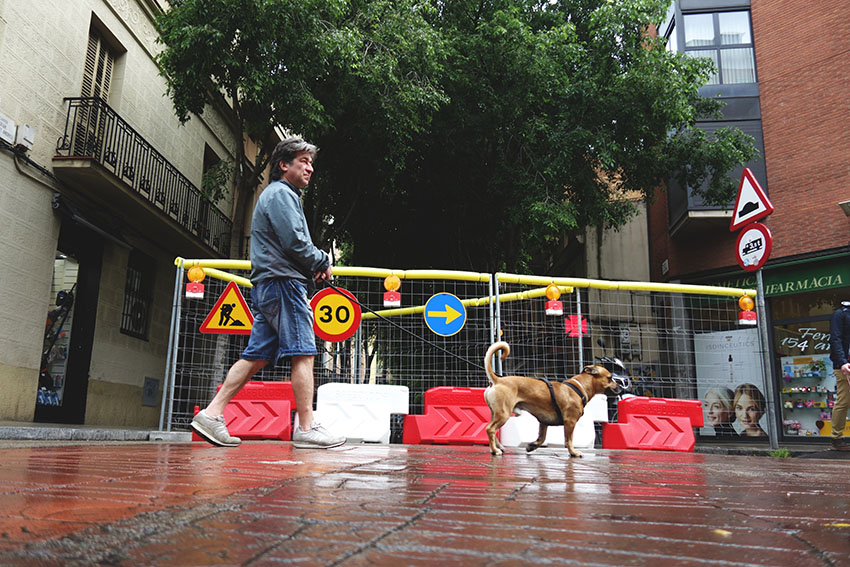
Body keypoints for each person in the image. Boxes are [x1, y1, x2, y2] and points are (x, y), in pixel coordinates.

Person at [192, 137, 345, 449]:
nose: (310, 168)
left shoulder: (279, 195)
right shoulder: (281, 194)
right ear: (283, 165)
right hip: (283, 285)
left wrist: (309, 265)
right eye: (304, 161)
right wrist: (321, 261)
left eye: (311, 162)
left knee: (256, 356)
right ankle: (306, 426)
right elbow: (295, 242)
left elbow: (288, 244)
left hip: (271, 284)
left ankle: (210, 414)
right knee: (304, 351)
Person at [829, 301, 850, 451]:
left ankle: (837, 438)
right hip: (846, 365)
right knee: (843, 401)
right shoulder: (841, 314)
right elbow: (835, 339)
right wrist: (842, 362)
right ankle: (836, 437)